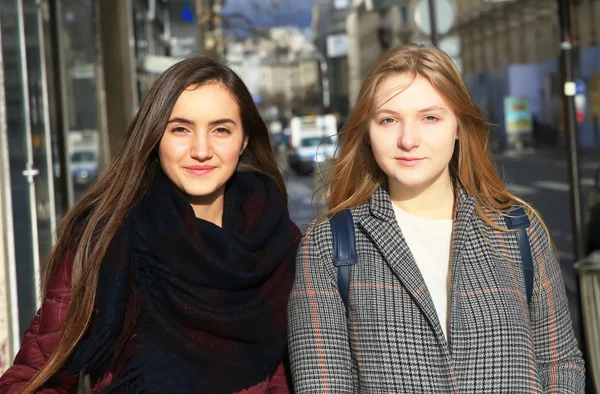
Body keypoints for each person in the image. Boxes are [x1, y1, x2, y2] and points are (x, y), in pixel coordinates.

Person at [287, 44, 585, 393]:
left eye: (430, 117)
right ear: (367, 132)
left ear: (459, 126)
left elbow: (560, 365)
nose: (408, 140)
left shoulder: (517, 229)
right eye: (388, 120)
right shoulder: (328, 245)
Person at [0, 57, 300, 394]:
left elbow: (294, 376)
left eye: (221, 130)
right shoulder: (105, 236)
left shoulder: (280, 241)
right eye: (180, 129)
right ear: (155, 137)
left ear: (244, 140)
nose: (201, 150)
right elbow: (33, 377)